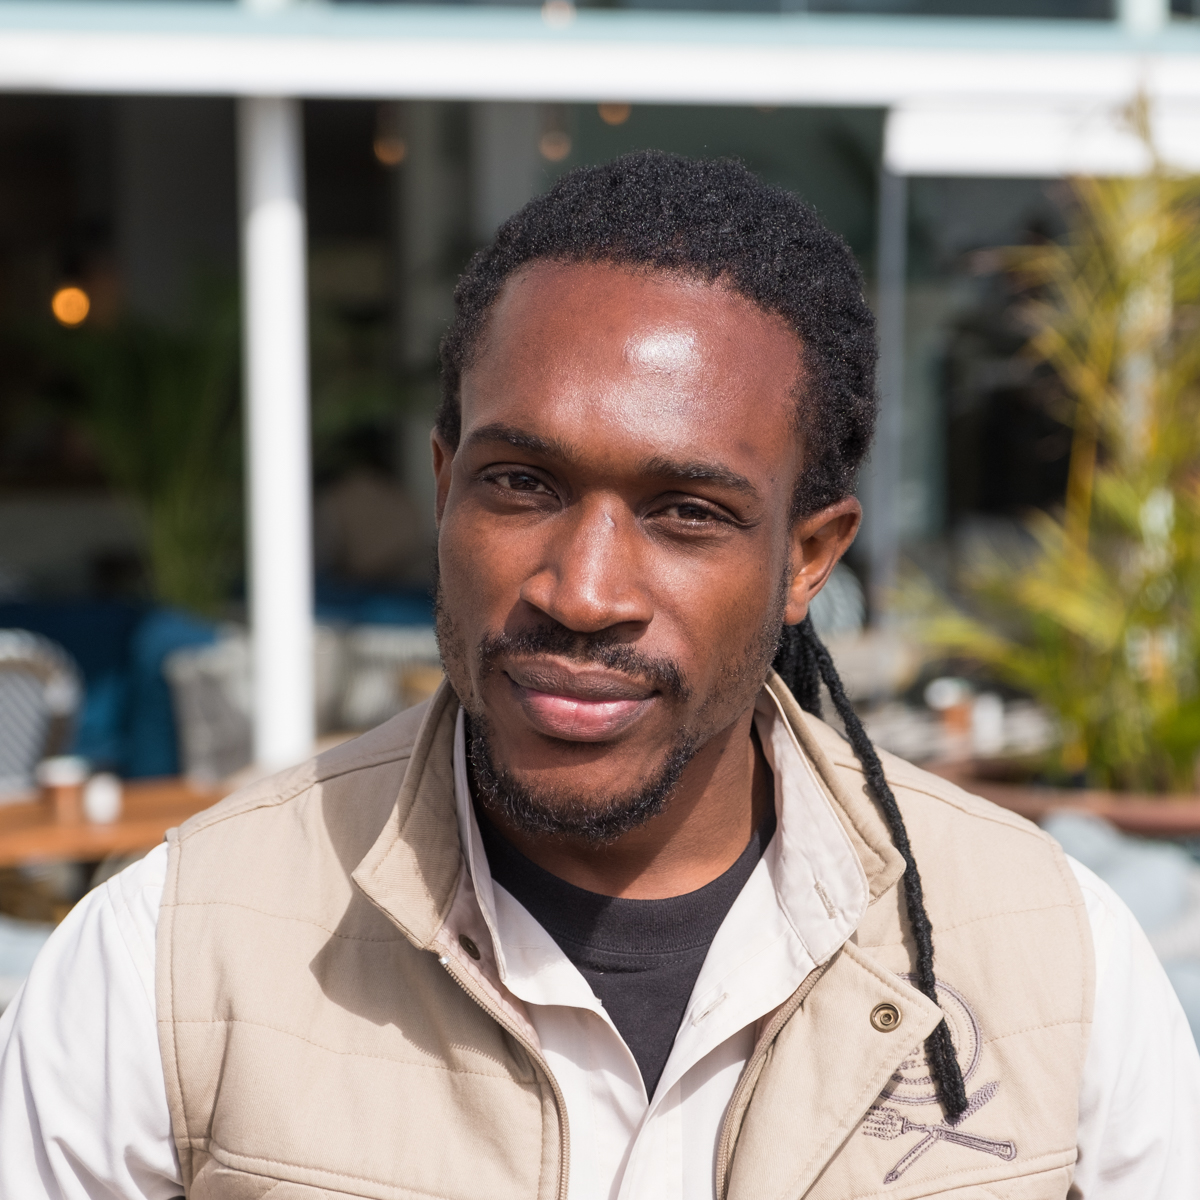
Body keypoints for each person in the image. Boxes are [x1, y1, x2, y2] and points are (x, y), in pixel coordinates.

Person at [2, 151, 1198, 1200]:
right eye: (521, 484)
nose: (581, 592)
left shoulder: (1052, 964)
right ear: (444, 491)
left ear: (808, 558)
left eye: (687, 513)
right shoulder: (171, 956)